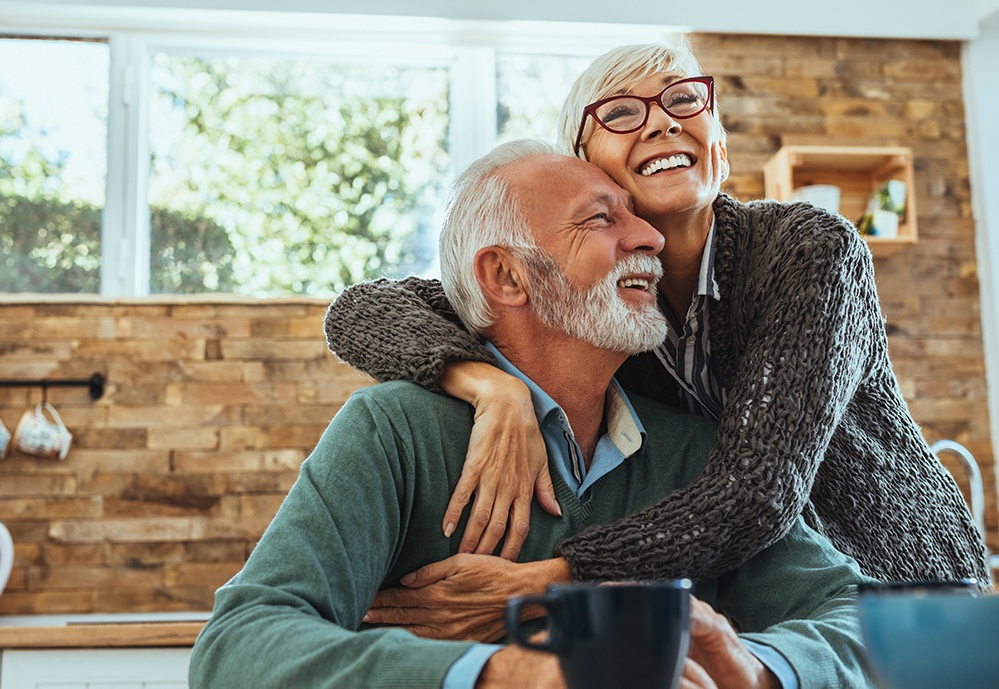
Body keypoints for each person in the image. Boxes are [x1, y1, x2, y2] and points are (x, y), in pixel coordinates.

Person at [323, 43, 990, 617]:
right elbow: (361, 309)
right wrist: (492, 386)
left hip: (901, 590)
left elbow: (756, 491)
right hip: (755, 601)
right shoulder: (598, 302)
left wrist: (548, 583)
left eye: (684, 102)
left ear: (719, 147)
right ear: (582, 162)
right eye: (621, 112)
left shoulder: (808, 249)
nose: (664, 123)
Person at [188, 141, 877, 689]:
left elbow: (863, 620)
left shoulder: (694, 453)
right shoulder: (392, 431)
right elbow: (236, 647)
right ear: (509, 276)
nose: (651, 237)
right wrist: (501, 673)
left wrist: (754, 662)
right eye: (603, 218)